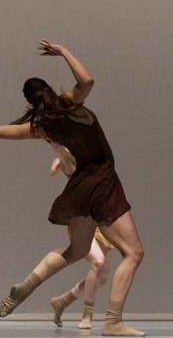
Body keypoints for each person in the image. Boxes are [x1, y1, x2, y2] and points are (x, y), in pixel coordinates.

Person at [0, 39, 145, 337]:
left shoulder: (40, 127)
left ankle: (27, 286)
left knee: (77, 251)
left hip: (79, 188)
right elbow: (87, 80)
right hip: (101, 182)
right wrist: (63, 52)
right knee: (134, 253)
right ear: (50, 89)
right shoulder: (71, 103)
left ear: (30, 104)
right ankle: (113, 322)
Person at [48, 141, 114, 330]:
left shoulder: (96, 154)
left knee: (102, 277)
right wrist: (61, 154)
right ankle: (87, 316)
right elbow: (55, 169)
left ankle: (63, 301)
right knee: (98, 263)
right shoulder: (69, 155)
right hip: (82, 221)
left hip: (101, 219)